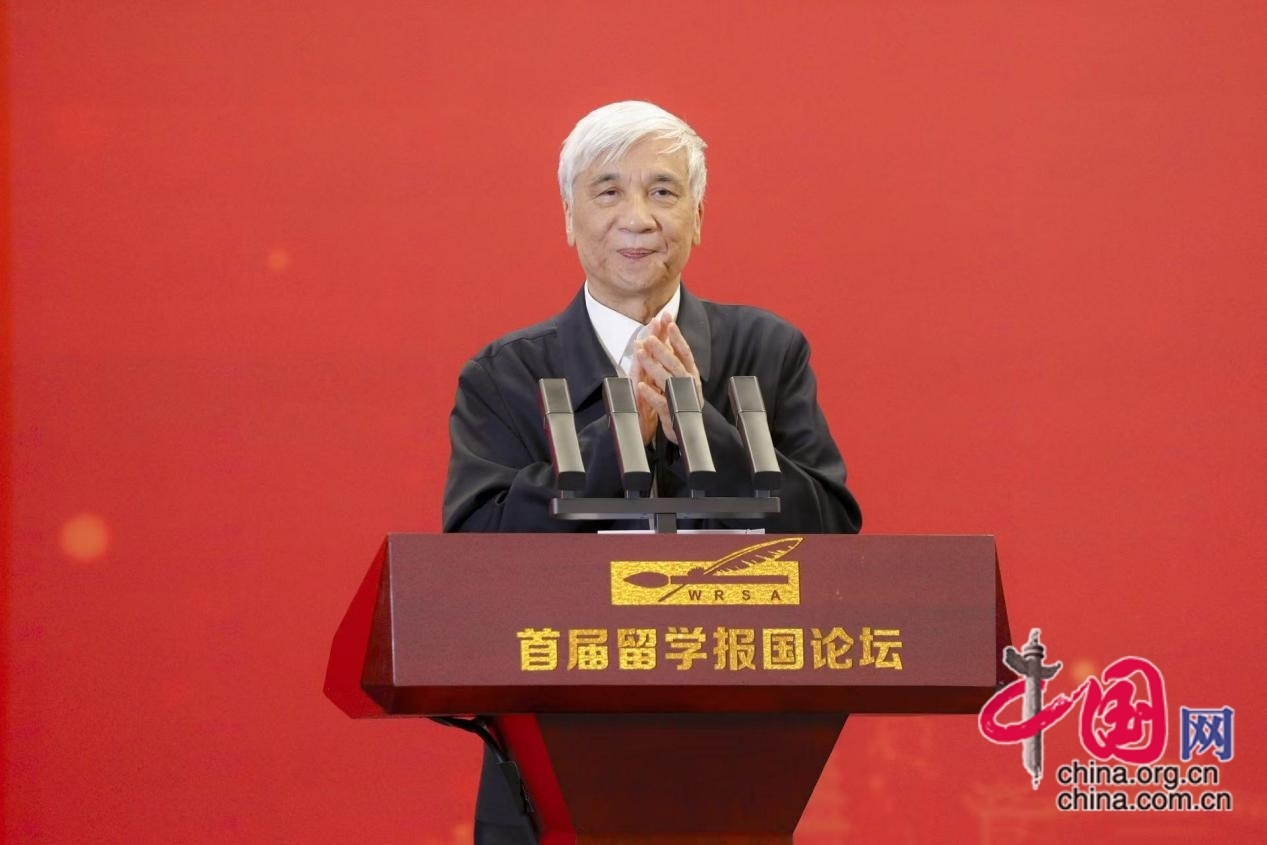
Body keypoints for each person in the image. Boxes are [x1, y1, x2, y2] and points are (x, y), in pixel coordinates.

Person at [441, 101, 862, 844]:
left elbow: (832, 533)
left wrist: (702, 427)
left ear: (697, 217)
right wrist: (616, 439)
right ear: (569, 217)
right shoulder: (505, 374)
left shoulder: (767, 351)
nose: (636, 217)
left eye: (663, 191)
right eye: (608, 191)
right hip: (547, 769)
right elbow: (473, 563)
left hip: (732, 758)